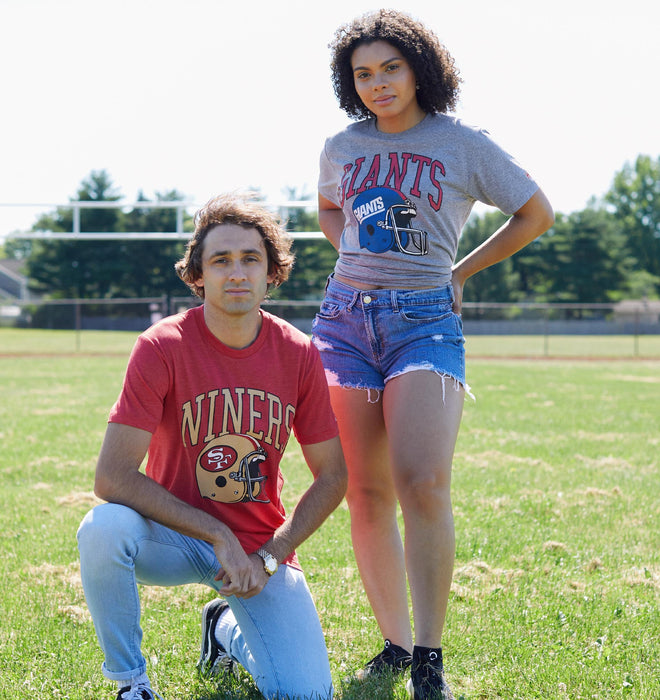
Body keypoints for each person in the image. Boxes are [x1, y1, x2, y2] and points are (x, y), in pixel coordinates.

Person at [312, 9, 555, 700]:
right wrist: (354, 246)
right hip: (343, 321)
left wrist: (461, 272)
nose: (378, 83)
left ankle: (429, 658)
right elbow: (330, 209)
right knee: (364, 489)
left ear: (420, 68)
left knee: (422, 481)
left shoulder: (461, 143)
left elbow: (535, 215)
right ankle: (392, 644)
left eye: (391, 68)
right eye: (363, 73)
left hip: (426, 321)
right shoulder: (341, 145)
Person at [77, 193, 347, 700]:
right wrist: (216, 533)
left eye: (251, 259)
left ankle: (223, 630)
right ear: (197, 274)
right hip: (172, 536)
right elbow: (111, 477)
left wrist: (271, 556)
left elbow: (333, 475)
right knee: (102, 529)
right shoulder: (162, 345)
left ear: (272, 273)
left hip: (256, 550)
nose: (237, 273)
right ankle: (131, 683)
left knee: (305, 694)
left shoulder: (298, 353)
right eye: (221, 260)